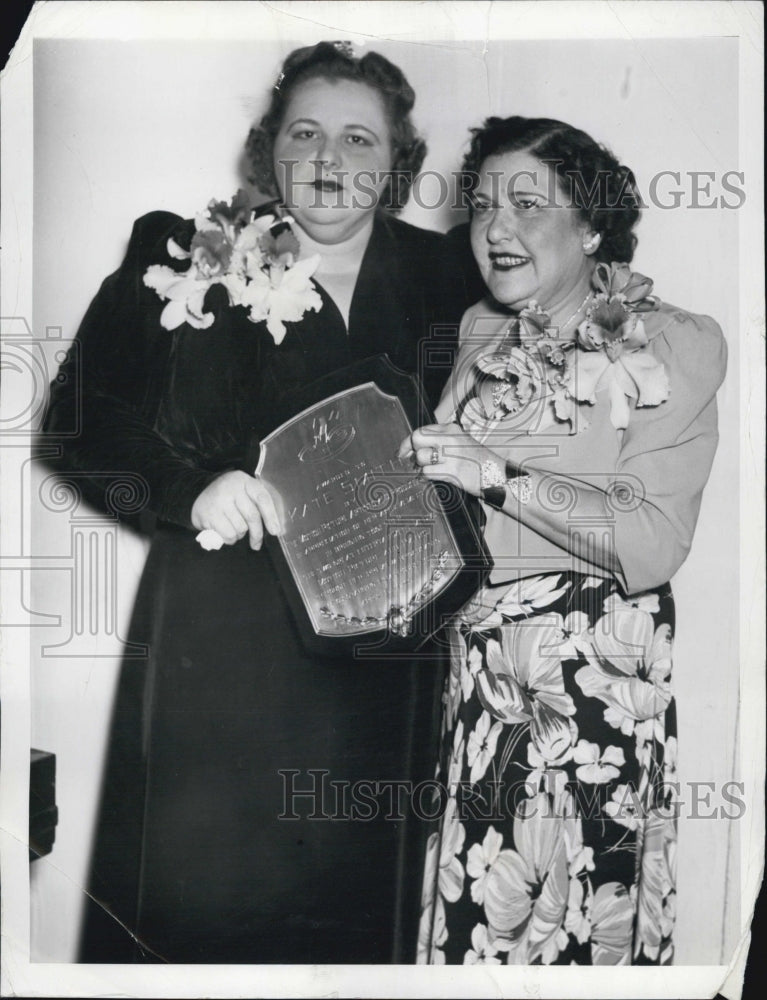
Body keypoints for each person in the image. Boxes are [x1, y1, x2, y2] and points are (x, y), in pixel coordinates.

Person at [43, 41, 472, 964]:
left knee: (369, 917)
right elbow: (78, 429)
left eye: (359, 139)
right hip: (226, 649)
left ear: (397, 161)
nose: (329, 161)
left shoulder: (452, 277)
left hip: (392, 655)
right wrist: (191, 489)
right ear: (266, 147)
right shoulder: (182, 250)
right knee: (213, 911)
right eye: (304, 133)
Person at [406, 116, 727, 965]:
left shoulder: (669, 339)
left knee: (568, 937)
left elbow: (652, 538)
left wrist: (497, 473)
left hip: (587, 682)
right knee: (480, 932)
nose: (494, 229)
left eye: (525, 203)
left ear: (590, 226)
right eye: (480, 208)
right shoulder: (480, 332)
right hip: (476, 678)